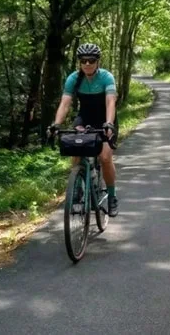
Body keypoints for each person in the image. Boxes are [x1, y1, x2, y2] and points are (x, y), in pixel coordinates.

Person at [48, 43, 120, 217]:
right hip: (84, 117)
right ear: (79, 62)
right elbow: (65, 103)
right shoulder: (74, 78)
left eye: (91, 60)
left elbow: (110, 102)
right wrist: (56, 124)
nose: (87, 64)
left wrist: (109, 124)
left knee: (104, 157)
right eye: (83, 61)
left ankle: (112, 196)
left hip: (105, 119)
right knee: (76, 148)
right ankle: (78, 187)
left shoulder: (106, 77)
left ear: (97, 62)